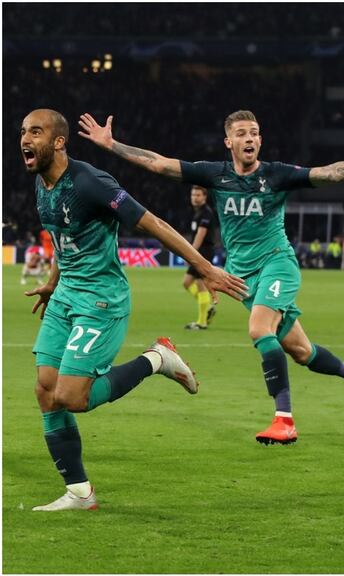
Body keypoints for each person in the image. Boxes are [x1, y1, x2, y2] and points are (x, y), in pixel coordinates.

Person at [77, 109, 344, 445]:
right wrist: (111, 144)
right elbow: (159, 164)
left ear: (261, 140)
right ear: (228, 141)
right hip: (243, 278)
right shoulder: (215, 175)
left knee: (260, 329)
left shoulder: (277, 175)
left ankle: (284, 420)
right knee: (301, 351)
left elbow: (330, 174)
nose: (250, 138)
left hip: (277, 264)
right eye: (242, 133)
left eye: (255, 133)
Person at [20, 108, 248, 510]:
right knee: (45, 390)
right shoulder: (42, 184)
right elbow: (61, 235)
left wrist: (206, 268)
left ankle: (157, 359)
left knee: (73, 397)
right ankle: (80, 493)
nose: (24, 139)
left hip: (101, 300)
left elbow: (152, 222)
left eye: (35, 132)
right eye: (22, 132)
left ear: (59, 142)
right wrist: (53, 284)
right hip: (66, 296)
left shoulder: (89, 182)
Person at [183, 185, 219, 330]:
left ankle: (201, 322)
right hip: (199, 252)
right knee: (186, 282)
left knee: (200, 284)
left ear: (204, 197)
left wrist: (191, 252)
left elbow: (201, 234)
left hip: (203, 252)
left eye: (198, 195)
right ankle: (207, 308)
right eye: (193, 195)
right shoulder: (197, 213)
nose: (195, 198)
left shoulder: (206, 213)